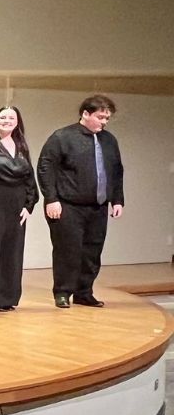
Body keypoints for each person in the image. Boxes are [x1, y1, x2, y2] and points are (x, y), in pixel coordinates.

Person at [37, 94, 124, 309]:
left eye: (107, 118)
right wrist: (51, 198)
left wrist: (117, 199)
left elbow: (116, 171)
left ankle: (84, 292)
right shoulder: (62, 137)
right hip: (68, 205)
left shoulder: (109, 140)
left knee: (92, 252)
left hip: (98, 206)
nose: (104, 122)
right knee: (68, 251)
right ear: (86, 114)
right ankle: (63, 292)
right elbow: (46, 167)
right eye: (100, 117)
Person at [0, 106, 38, 311]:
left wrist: (29, 205)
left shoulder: (22, 146)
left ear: (17, 122)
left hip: (16, 206)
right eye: (3, 117)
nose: (6, 121)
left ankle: (8, 297)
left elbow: (29, 178)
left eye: (11, 118)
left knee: (12, 251)